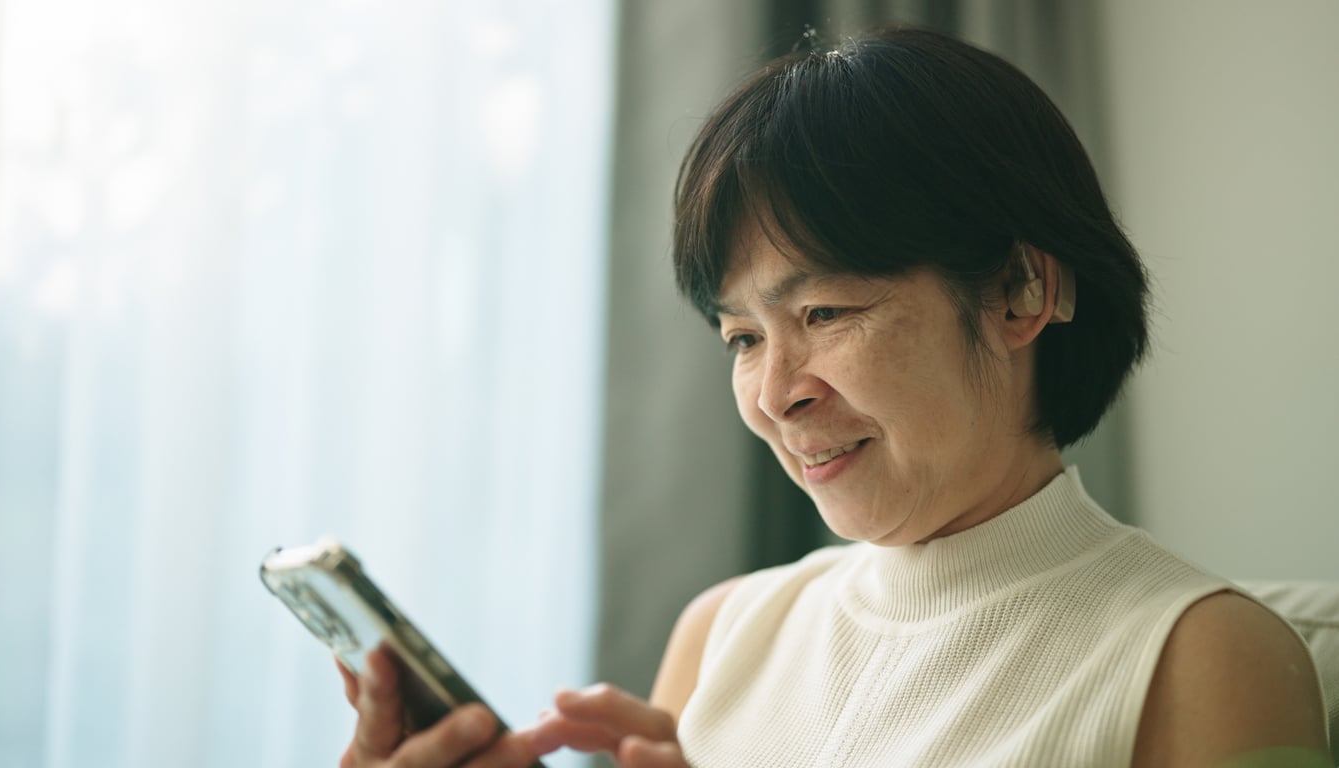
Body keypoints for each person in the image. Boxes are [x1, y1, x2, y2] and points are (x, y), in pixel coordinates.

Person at [334, 27, 1330, 768]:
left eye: (824, 313)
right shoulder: (726, 630)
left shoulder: (1206, 659)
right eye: (742, 336)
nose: (775, 394)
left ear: (1024, 290)